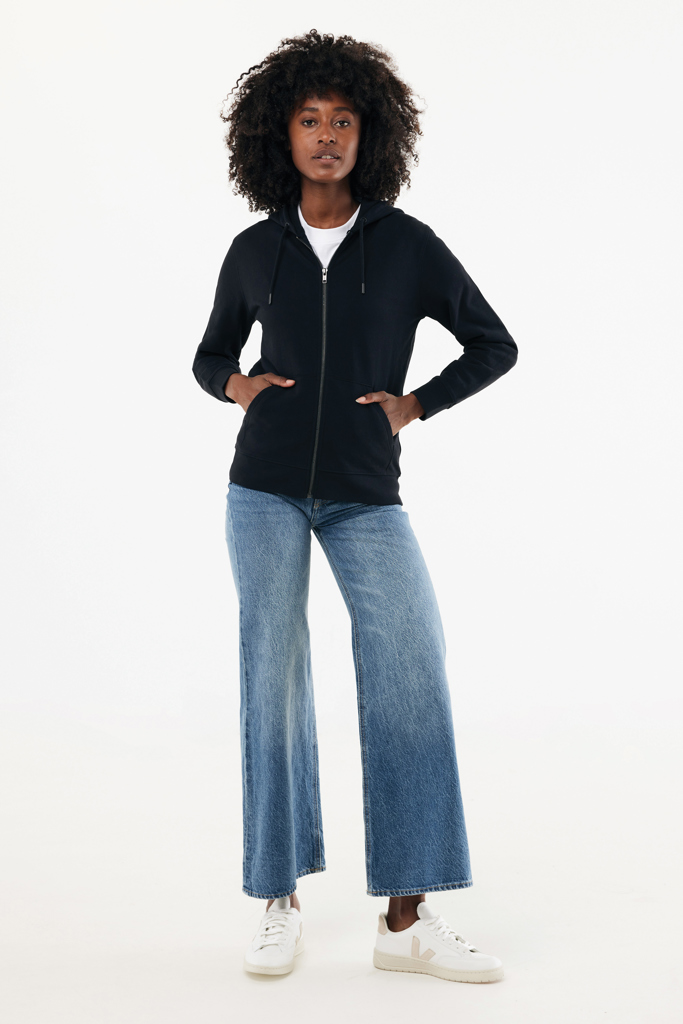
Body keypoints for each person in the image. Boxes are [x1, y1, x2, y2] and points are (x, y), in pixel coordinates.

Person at [192, 29, 517, 983]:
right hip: (262, 492)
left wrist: (416, 404)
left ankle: (405, 920)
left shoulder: (406, 244)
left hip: (364, 495)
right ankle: (276, 900)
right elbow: (209, 354)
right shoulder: (256, 249)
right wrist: (237, 387)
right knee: (273, 681)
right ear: (280, 134)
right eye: (309, 119)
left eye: (342, 120)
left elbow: (492, 343)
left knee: (410, 667)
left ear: (369, 135)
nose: (326, 135)